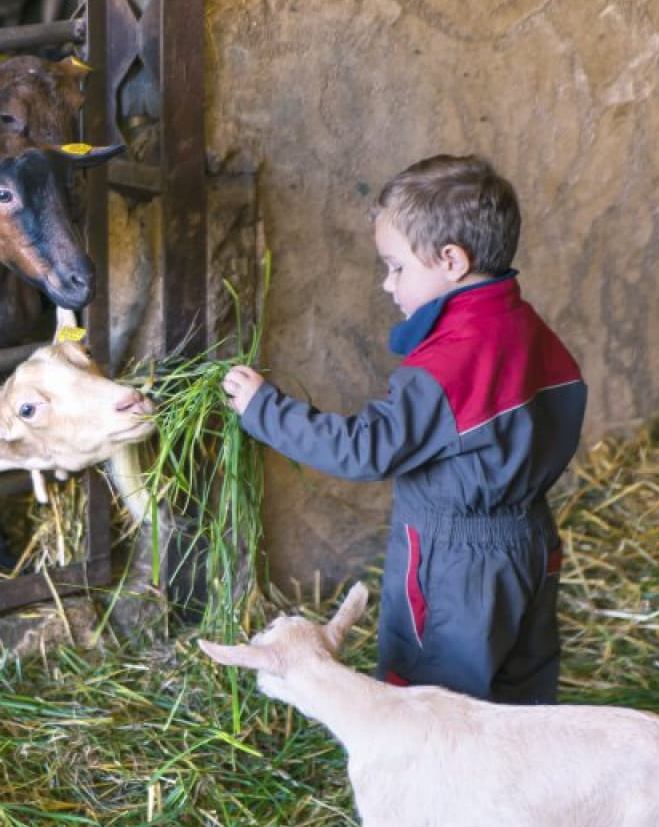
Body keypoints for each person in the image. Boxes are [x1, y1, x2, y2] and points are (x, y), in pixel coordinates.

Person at [220, 154, 586, 707]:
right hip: (530, 540)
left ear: (450, 260)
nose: (387, 284)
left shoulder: (442, 367)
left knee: (436, 701)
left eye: (395, 267)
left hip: (455, 562)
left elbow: (366, 450)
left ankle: (445, 794)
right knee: (521, 698)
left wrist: (263, 409)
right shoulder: (527, 327)